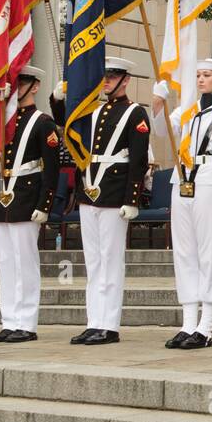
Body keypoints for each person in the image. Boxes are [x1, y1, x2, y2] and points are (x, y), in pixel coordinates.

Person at [52, 56, 150, 345]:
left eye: (113, 76)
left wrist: (132, 198)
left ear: (126, 80)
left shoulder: (135, 113)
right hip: (89, 190)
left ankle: (109, 324)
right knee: (93, 260)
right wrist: (58, 99)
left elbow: (139, 159)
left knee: (110, 259)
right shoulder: (94, 112)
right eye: (105, 76)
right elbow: (66, 122)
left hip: (114, 193)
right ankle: (93, 320)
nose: (106, 81)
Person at [152, 58, 212, 351]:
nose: (201, 79)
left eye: (207, 75)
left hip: (209, 179)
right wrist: (158, 102)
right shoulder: (188, 109)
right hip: (183, 180)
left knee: (207, 254)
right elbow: (162, 131)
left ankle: (206, 326)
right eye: (198, 75)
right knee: (185, 252)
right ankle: (188, 322)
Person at [0, 66, 58, 343]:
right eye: (14, 82)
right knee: (5, 262)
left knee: (25, 261)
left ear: (35, 86)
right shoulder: (3, 121)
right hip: (3, 195)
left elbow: (51, 169)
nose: (16, 88)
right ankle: (9, 319)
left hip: (27, 196)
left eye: (22, 82)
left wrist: (45, 203)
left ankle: (26, 322)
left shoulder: (43, 123)